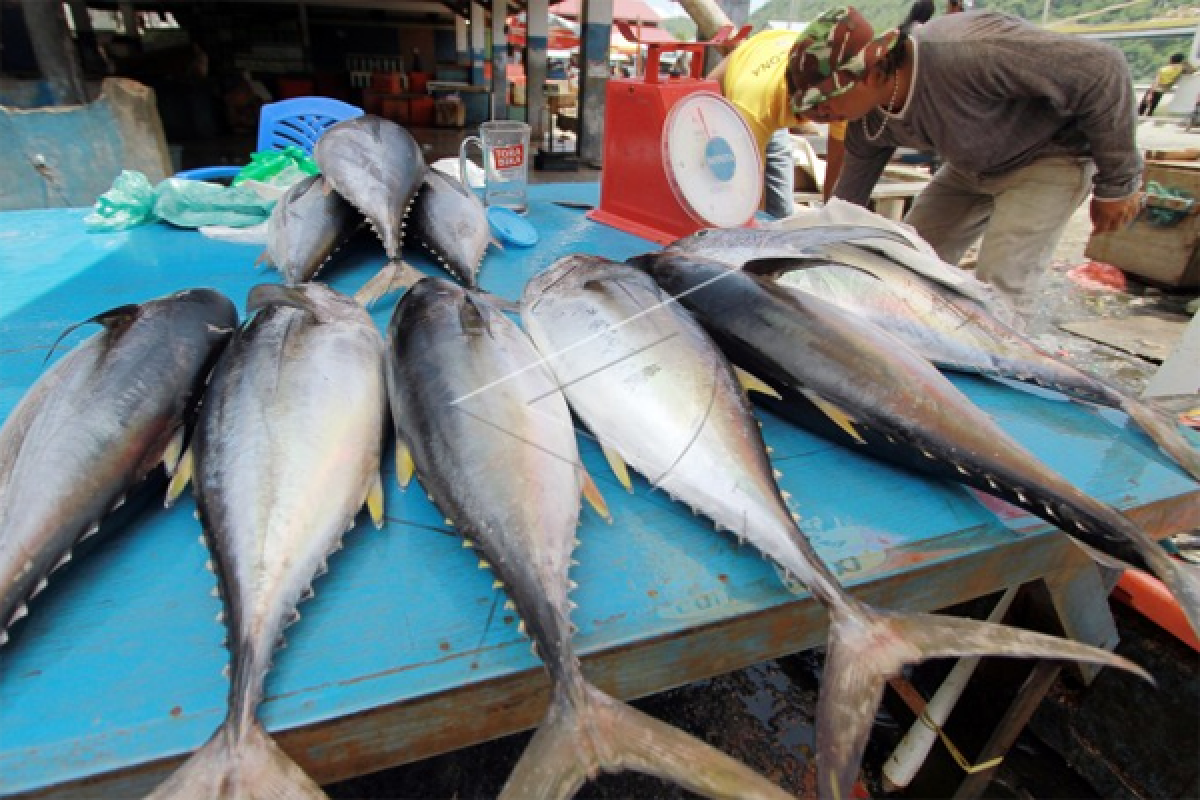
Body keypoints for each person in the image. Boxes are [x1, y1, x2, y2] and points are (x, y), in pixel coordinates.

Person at [786, 6, 1144, 317]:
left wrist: (1117, 184)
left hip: (1048, 156)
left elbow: (1103, 68)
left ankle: (1002, 369)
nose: (821, 115)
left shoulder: (964, 52)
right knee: (906, 259)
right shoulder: (867, 121)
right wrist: (814, 259)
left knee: (1001, 286)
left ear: (870, 72)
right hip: (969, 164)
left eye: (824, 103)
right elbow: (847, 206)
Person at [1139, 53, 1195, 117]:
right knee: (1151, 109)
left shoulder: (1164, 69)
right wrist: (1185, 62)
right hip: (1162, 91)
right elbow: (1192, 71)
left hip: (1155, 89)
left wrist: (1150, 94)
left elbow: (1156, 82)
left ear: (1172, 60)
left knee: (1141, 109)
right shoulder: (1181, 69)